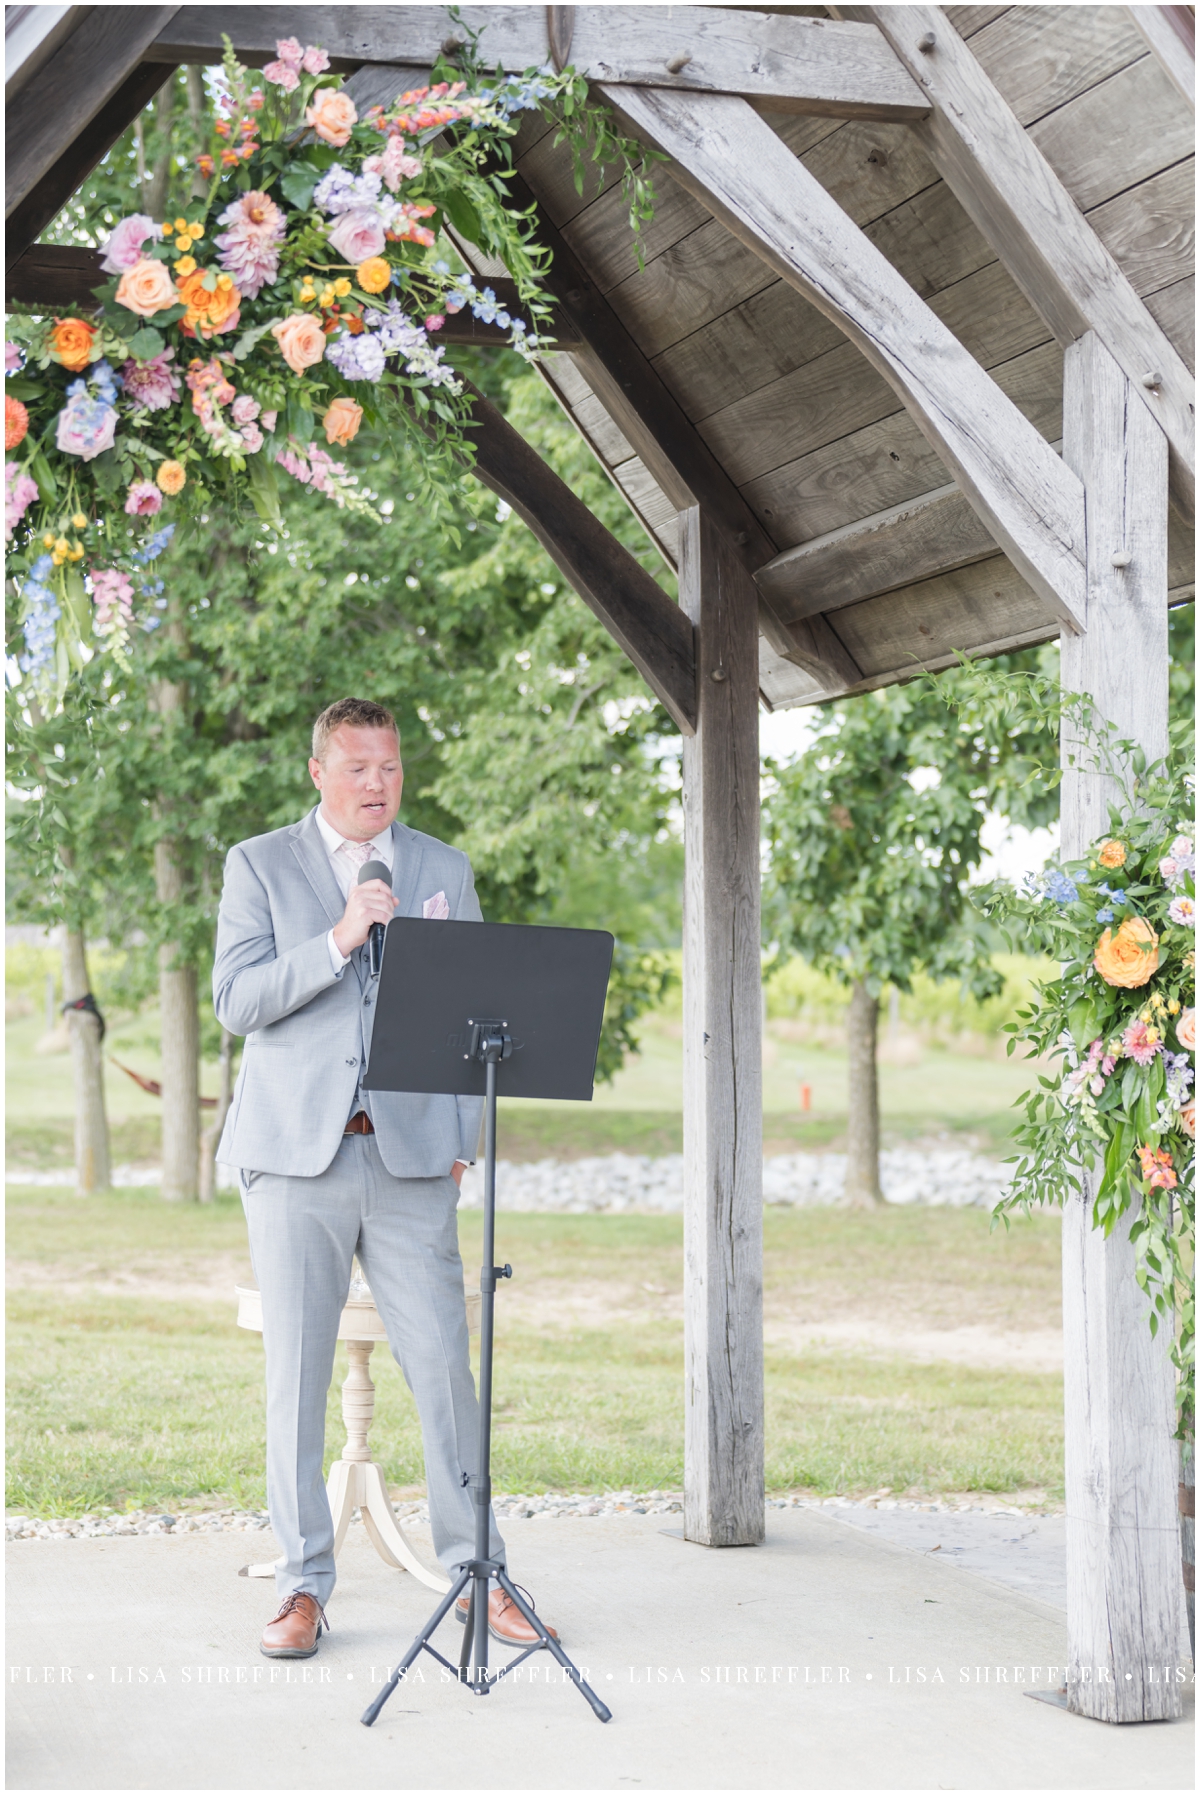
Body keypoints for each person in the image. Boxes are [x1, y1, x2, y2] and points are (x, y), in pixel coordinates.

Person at [214, 697, 557, 1659]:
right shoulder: (259, 865)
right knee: (297, 1378)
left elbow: (484, 1016)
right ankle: (301, 1586)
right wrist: (338, 939)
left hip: (410, 1161)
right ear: (317, 770)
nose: (378, 785)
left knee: (447, 1369)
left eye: (392, 768)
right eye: (359, 767)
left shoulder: (443, 869)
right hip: (292, 1159)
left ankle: (476, 1574)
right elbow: (237, 1000)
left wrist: (465, 1138)